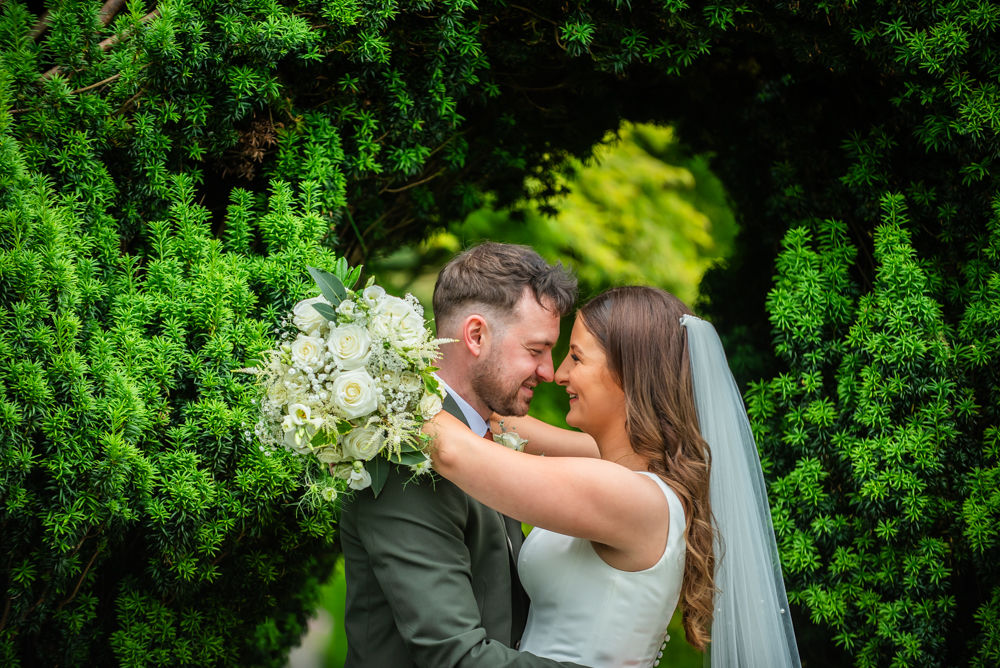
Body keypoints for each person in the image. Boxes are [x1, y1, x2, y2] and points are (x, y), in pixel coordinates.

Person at [426, 286, 801, 667]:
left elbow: (452, 451)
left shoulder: (630, 497)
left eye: (576, 358)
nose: (559, 374)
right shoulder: (633, 467)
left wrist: (388, 377)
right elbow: (497, 418)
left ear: (628, 373)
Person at [339, 242, 585, 667]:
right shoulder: (408, 460)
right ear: (476, 336)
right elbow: (457, 657)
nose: (549, 371)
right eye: (535, 350)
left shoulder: (480, 431)